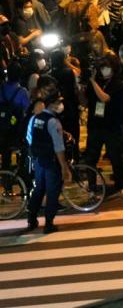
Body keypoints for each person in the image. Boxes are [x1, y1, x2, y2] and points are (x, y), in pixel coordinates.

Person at [26, 91, 71, 233]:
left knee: (39, 189)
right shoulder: (53, 121)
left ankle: (31, 219)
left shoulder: (37, 118)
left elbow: (34, 138)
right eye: (58, 102)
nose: (60, 105)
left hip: (39, 160)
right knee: (52, 192)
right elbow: (58, 146)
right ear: (52, 104)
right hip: (51, 162)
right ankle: (49, 224)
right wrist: (64, 166)